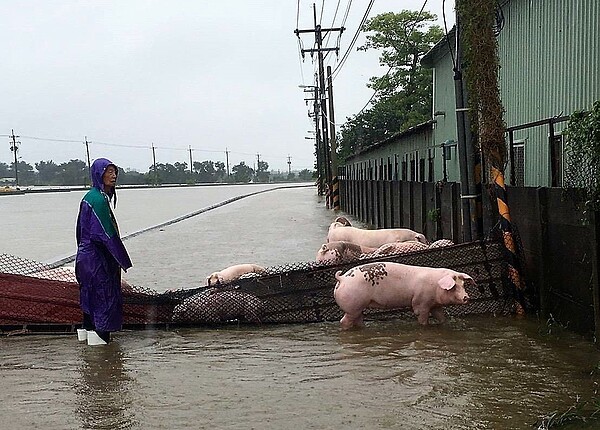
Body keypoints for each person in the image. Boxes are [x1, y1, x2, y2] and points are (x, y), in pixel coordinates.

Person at [75, 158, 132, 345]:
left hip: (85, 259)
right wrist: (123, 260)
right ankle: (102, 355)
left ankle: (92, 363)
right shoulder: (98, 200)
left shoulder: (89, 197)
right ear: (98, 174)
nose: (113, 175)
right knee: (103, 305)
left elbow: (79, 232)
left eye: (114, 171)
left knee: (89, 305)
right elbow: (107, 235)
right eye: (108, 172)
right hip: (97, 262)